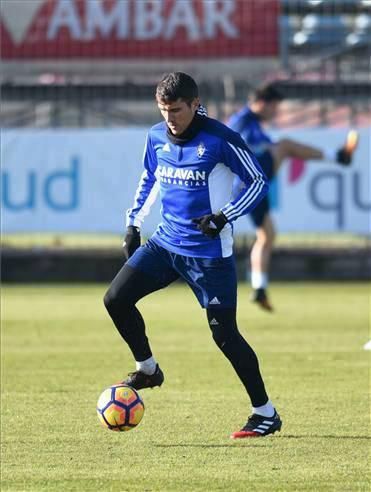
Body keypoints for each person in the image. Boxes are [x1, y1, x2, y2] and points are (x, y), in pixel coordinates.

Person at [104, 72, 282, 439]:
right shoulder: (155, 137)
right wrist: (133, 224)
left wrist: (224, 216)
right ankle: (148, 369)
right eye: (164, 110)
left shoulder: (220, 139)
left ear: (195, 105)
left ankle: (265, 413)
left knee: (225, 336)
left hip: (208, 255)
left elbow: (258, 181)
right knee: (116, 299)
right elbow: (149, 177)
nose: (170, 118)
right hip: (165, 244)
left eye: (177, 110)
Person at [227, 85, 358, 311]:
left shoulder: (252, 122)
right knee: (285, 146)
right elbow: (240, 148)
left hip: (253, 187)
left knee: (267, 235)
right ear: (262, 102)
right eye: (275, 107)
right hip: (248, 185)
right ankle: (339, 156)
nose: (275, 113)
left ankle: (259, 288)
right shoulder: (242, 121)